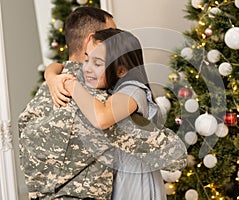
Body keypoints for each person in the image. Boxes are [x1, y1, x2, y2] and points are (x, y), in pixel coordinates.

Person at [62, 28, 187, 200]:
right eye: (86, 59)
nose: (87, 68)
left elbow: (102, 118)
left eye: (97, 64)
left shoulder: (133, 91)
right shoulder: (110, 89)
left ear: (121, 71)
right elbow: (58, 66)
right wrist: (52, 76)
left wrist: (71, 85)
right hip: (118, 181)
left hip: (136, 185)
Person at [18, 7, 116, 199]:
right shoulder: (97, 97)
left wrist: (51, 74)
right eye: (112, 36)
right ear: (92, 41)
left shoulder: (46, 90)